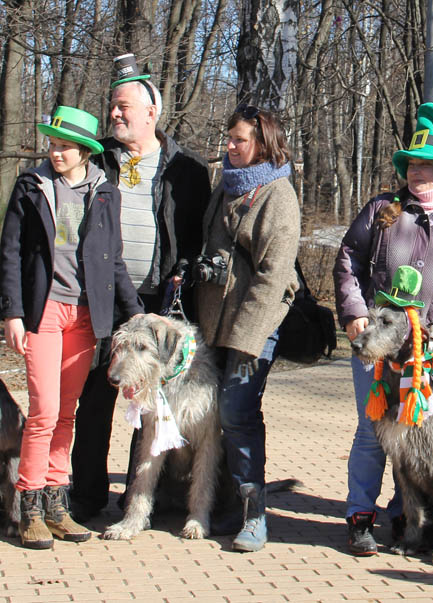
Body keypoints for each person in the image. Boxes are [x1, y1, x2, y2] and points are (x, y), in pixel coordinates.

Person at [333, 103, 433, 556]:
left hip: (430, 351)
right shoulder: (383, 209)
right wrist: (354, 311)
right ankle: (360, 517)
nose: (416, 172)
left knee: (422, 433)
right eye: (412, 164)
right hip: (376, 343)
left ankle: (411, 519)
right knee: (371, 431)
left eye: (427, 165)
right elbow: (349, 260)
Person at [69, 54, 210, 522]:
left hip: (154, 301)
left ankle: (137, 503)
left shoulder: (187, 169)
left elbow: (195, 236)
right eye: (112, 106)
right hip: (100, 299)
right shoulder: (98, 159)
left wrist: (183, 274)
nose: (114, 114)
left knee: (148, 405)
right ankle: (86, 497)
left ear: (151, 113)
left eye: (123, 106)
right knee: (93, 401)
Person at [0, 106, 144, 548]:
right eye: (53, 144)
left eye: (65, 146)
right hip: (43, 313)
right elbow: (9, 253)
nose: (56, 152)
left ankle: (56, 504)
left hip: (85, 317)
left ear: (85, 151)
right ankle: (29, 505)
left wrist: (135, 313)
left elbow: (114, 260)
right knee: (43, 413)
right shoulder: (32, 186)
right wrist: (12, 313)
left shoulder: (106, 193)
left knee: (67, 413)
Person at [192, 105, 300, 552]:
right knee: (214, 414)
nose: (230, 146)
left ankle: (253, 513)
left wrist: (246, 339)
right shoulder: (226, 187)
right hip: (213, 319)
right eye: (229, 138)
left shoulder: (278, 195)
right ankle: (220, 503)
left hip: (255, 324)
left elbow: (274, 277)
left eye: (239, 140)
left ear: (263, 144)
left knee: (238, 413)